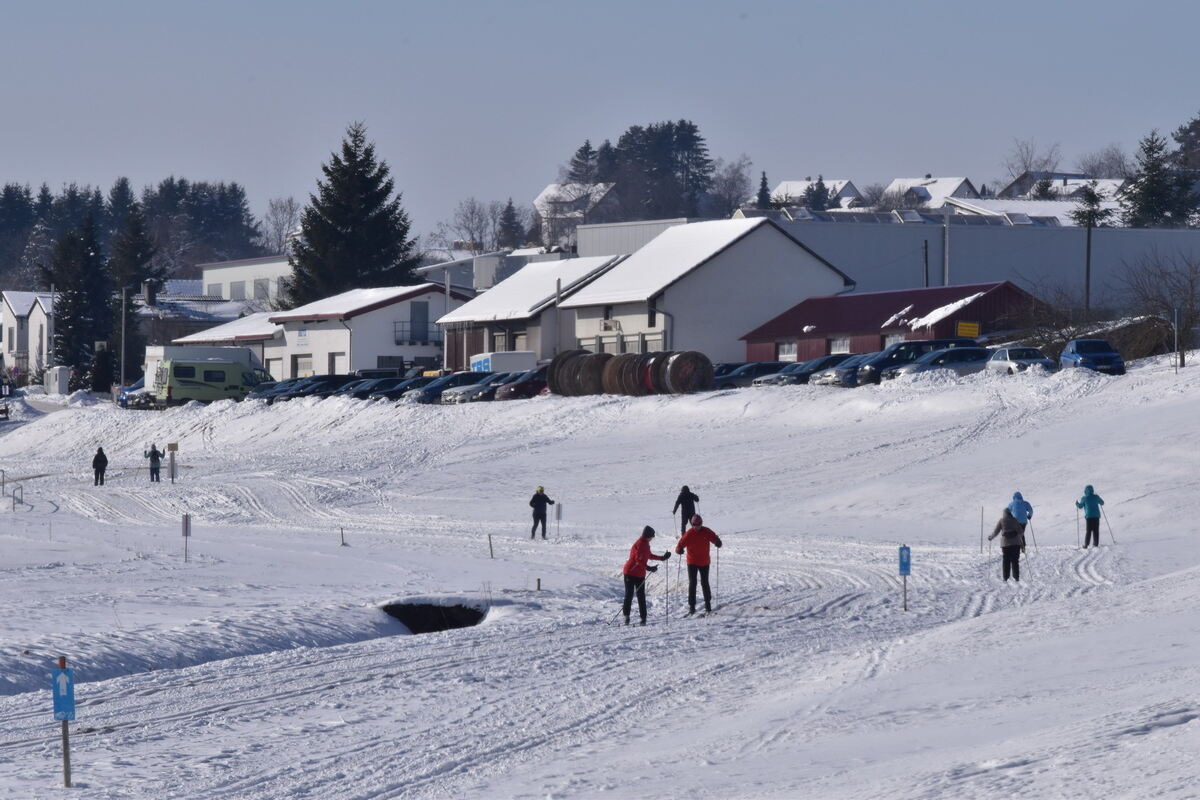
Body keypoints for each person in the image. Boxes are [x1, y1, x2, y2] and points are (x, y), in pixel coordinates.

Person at [621, 526, 670, 625]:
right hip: (630, 572)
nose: (652, 538)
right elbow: (638, 560)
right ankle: (626, 617)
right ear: (648, 536)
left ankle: (643, 618)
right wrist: (649, 568)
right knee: (629, 594)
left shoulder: (646, 544)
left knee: (641, 596)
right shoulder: (640, 544)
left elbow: (649, 555)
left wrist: (662, 558)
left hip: (640, 574)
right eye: (652, 536)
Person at [675, 514, 722, 614]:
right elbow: (680, 545)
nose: (696, 526)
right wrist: (679, 550)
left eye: (698, 524)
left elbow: (714, 538)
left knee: (705, 583)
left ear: (701, 523)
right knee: (693, 583)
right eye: (694, 524)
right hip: (692, 562)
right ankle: (692, 607)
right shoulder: (689, 534)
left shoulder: (706, 531)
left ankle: (708, 605)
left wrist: (718, 542)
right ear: (692, 524)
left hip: (704, 562)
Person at [987, 507, 1026, 582]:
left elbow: (996, 532)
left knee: (1006, 561)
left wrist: (991, 537)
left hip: (1005, 544)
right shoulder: (1014, 520)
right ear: (1010, 513)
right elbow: (1021, 532)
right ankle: (1016, 577)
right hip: (1016, 544)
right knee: (1015, 561)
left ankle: (1005, 577)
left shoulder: (1001, 521)